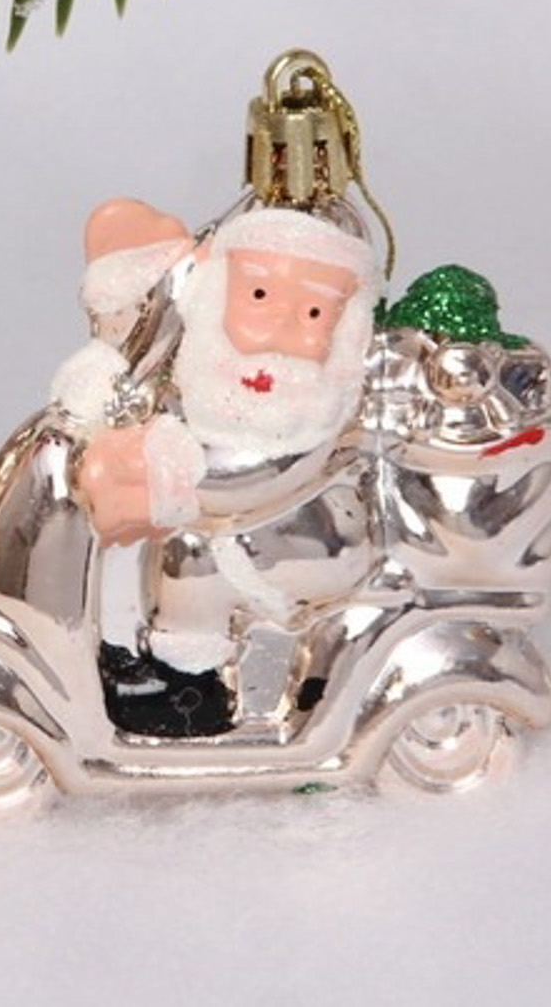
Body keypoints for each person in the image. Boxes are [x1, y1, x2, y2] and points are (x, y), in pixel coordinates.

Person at [51, 198, 382, 735]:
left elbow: (247, 479)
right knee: (145, 536)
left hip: (309, 539)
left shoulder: (314, 412)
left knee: (191, 557)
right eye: (259, 296)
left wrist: (163, 464)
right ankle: (125, 648)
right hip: (256, 528)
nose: (280, 327)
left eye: (313, 314)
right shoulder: (204, 375)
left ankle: (191, 688)